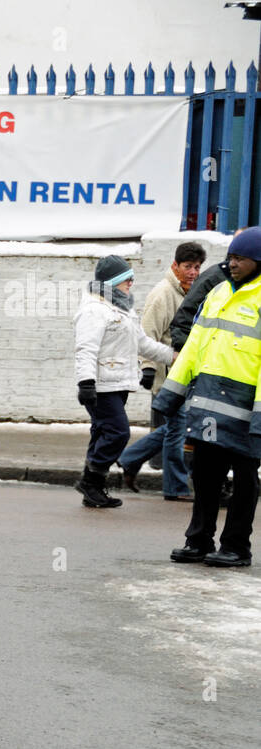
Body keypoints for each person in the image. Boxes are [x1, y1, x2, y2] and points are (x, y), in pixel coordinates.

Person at [156, 226, 261, 568]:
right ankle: (198, 540)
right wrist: (170, 394)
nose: (231, 264)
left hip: (247, 412)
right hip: (209, 407)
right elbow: (193, 348)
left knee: (245, 481)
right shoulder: (217, 293)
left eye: (240, 259)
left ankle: (236, 547)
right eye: (230, 257)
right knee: (204, 475)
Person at [73, 255, 175, 508]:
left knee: (102, 432)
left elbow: (143, 344)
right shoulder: (94, 310)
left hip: (118, 383)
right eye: (126, 278)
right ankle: (91, 481)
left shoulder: (123, 309)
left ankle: (93, 488)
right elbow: (85, 349)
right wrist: (86, 382)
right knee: (119, 432)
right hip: (100, 385)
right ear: (113, 281)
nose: (131, 281)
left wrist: (174, 357)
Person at [118, 241, 205, 500]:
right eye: (187, 266)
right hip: (166, 374)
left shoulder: (190, 292)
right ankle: (175, 488)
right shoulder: (163, 293)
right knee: (178, 429)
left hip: (183, 373)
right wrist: (147, 367)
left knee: (177, 428)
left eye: (197, 267)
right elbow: (147, 334)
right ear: (175, 266)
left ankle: (129, 458)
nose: (193, 272)